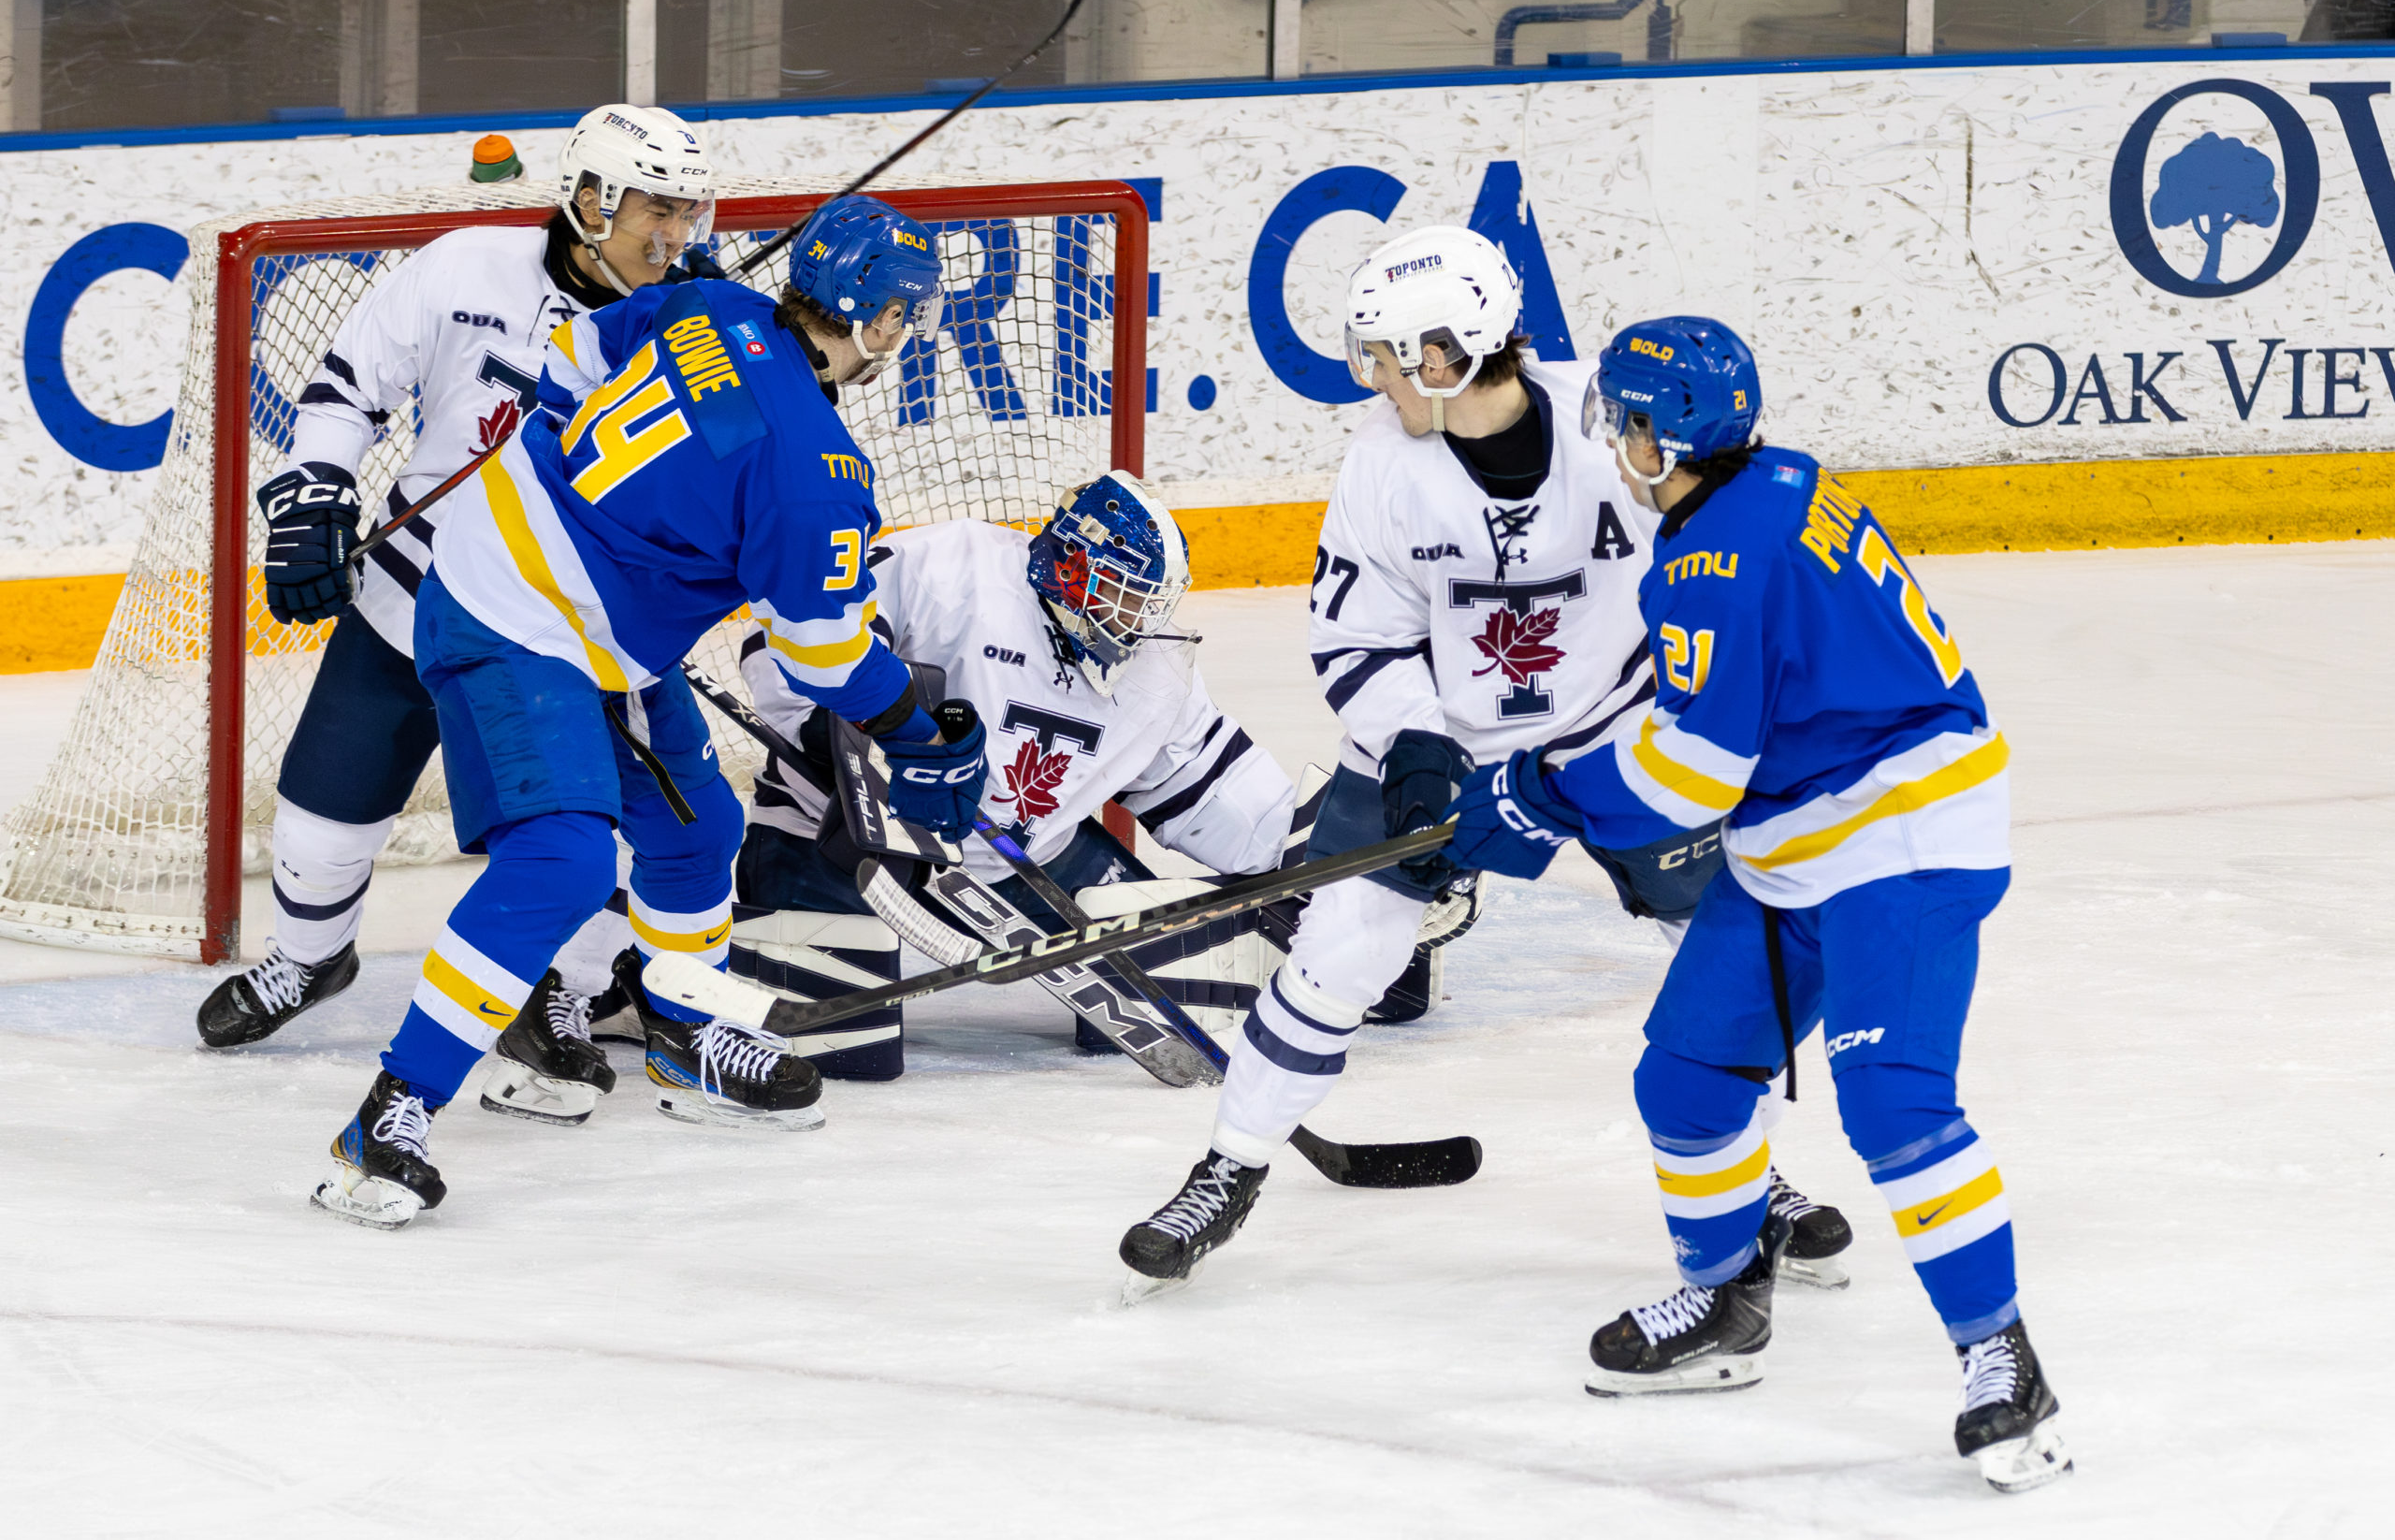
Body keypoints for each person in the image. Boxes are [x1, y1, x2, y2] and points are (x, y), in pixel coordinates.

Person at [1117, 228, 1853, 1294]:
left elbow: (1711, 561)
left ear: (1447, 356)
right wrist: (1412, 734)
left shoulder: (1617, 427)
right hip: (1440, 743)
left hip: (1614, 729)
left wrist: (1704, 708)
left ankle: (1748, 1176)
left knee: (1720, 947)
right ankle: (1226, 1169)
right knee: (1338, 953)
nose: (1371, 377)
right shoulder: (1380, 462)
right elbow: (1354, 634)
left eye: (1386, 355)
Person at [1444, 316, 2068, 1493]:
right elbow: (1721, 719)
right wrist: (1560, 782)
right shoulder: (1772, 489)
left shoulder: (1715, 557)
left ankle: (2003, 1359)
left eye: (1624, 420)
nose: (1614, 438)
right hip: (1798, 834)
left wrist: (1542, 794)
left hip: (1904, 834)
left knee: (1892, 1105)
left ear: (1662, 435)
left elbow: (1690, 778)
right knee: (1681, 1081)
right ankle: (1728, 1305)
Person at [310, 195, 978, 1229]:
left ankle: (680, 1028)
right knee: (564, 859)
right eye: (907, 315)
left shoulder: (703, 306)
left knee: (694, 826)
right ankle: (387, 1119)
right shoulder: (819, 473)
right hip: (511, 616)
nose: (906, 332)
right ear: (880, 322)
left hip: (573, 610)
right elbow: (825, 654)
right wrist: (916, 730)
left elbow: (574, 349)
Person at [196, 103, 716, 1053]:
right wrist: (311, 495)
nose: (678, 234)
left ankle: (563, 983)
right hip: (415, 584)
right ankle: (311, 957)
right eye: (657, 209)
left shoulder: (690, 327)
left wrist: (718, 352)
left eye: (689, 212)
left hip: (568, 618)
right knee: (322, 811)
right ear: (592, 202)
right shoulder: (465, 266)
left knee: (580, 825)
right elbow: (347, 389)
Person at [718, 474, 1298, 1081]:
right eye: (1126, 594)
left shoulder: (1152, 663)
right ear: (1074, 565)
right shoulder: (956, 567)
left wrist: (1326, 869)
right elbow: (800, 633)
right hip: (835, 839)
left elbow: (1214, 789)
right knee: (836, 1054)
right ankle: (642, 978)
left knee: (1181, 990)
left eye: (1153, 602)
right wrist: (837, 739)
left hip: (1023, 856)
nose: (1140, 621)